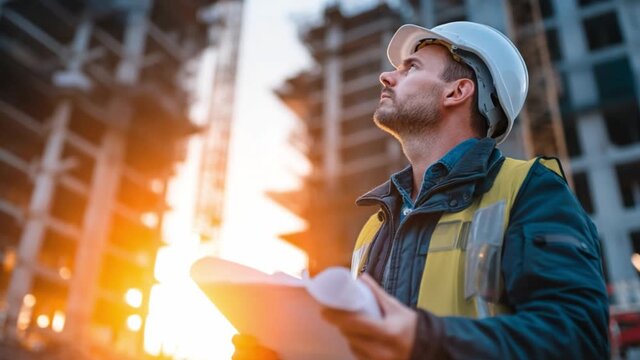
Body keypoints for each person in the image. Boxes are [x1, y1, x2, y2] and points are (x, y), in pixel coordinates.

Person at [233, 21, 609, 359]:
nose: (386, 76)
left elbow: (578, 338)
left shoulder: (528, 190)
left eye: (410, 68)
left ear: (457, 91)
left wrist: (426, 340)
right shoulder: (374, 228)